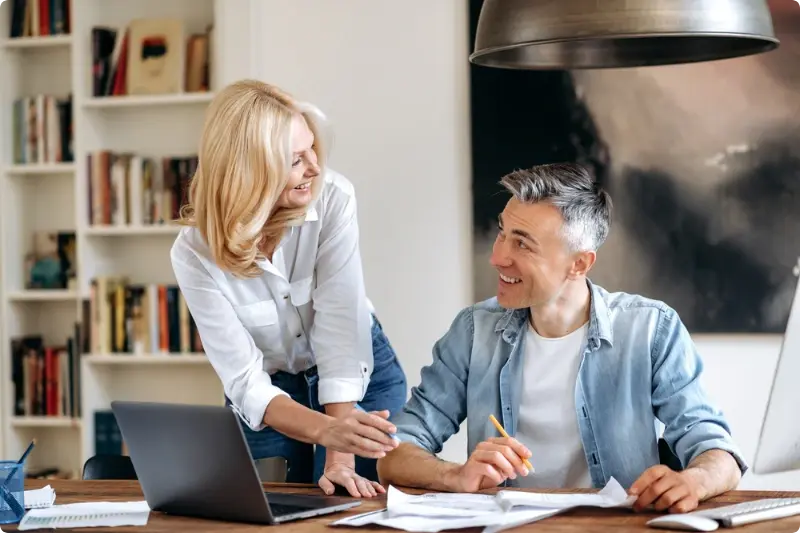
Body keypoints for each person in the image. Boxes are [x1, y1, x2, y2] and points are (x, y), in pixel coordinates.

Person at [377, 162, 746, 514]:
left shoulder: (651, 329)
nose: (498, 256)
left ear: (580, 263)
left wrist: (693, 481)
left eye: (522, 243)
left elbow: (717, 450)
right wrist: (455, 475)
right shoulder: (473, 332)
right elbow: (394, 453)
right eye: (502, 232)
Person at [170, 79, 407, 498]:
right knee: (270, 511)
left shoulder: (333, 198)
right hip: (272, 393)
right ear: (250, 172)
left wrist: (340, 453)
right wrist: (330, 432)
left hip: (359, 375)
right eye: (296, 159)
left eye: (312, 148)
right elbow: (244, 379)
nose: (315, 167)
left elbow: (339, 327)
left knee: (359, 507)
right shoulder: (193, 254)